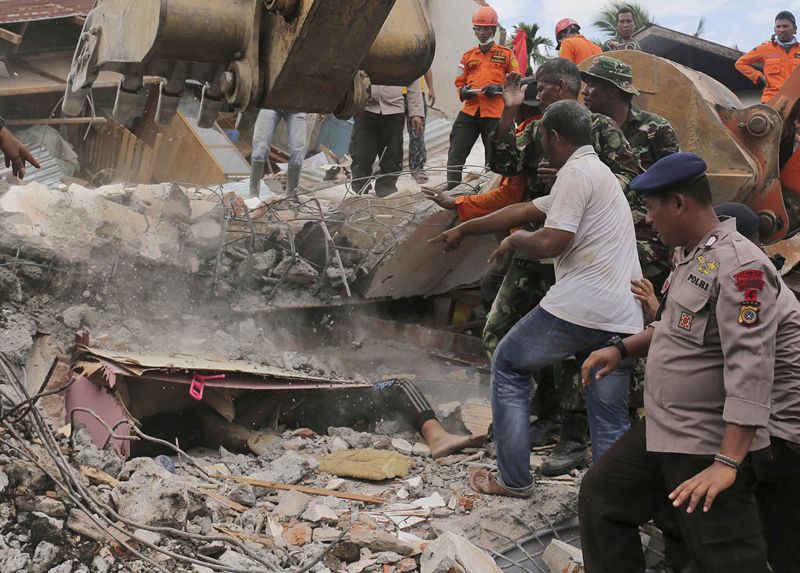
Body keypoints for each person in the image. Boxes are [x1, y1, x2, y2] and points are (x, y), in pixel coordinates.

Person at [438, 58, 643, 476]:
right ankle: (613, 501)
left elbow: (552, 240)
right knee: (608, 413)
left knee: (510, 364)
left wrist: (515, 240)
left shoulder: (576, 172)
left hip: (584, 301)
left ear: (553, 136)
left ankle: (514, 478)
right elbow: (522, 206)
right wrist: (466, 227)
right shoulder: (591, 169)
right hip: (622, 314)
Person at [578, 153, 778, 573]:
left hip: (705, 440)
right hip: (665, 427)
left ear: (681, 203)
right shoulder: (694, 256)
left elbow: (752, 368)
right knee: (602, 496)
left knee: (727, 555)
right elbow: (676, 327)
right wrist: (622, 348)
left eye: (652, 208)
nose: (649, 219)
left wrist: (726, 464)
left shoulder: (743, 270)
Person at [630, 202, 800, 573]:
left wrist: (726, 461)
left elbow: (750, 370)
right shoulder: (715, 265)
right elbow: (689, 333)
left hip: (780, 436)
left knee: (766, 538)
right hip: (755, 430)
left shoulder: (746, 277)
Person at [447, 5, 519, 190]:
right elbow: (459, 81)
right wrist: (463, 91)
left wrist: (499, 87)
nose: (481, 32)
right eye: (478, 28)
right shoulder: (467, 56)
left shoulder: (506, 54)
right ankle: (452, 190)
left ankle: (490, 192)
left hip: (495, 114)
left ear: (493, 29)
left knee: (494, 158)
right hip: (470, 111)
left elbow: (516, 80)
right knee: (456, 153)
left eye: (486, 28)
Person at [350, 82, 424, 198]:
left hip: (394, 110)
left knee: (392, 156)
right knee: (361, 154)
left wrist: (416, 113)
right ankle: (359, 193)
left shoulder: (403, 63)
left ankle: (386, 191)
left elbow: (413, 81)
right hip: (365, 108)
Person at [736, 11, 800, 103]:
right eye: (778, 26)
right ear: (775, 29)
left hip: (796, 102)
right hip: (771, 100)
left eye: (785, 26)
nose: (781, 29)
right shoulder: (765, 49)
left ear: (795, 29)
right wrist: (759, 76)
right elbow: (740, 63)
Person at [250, 110, 308, 197]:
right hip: (270, 103)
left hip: (297, 107)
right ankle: (253, 194)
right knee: (260, 147)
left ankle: (291, 195)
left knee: (298, 150)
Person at [405, 69, 436, 184]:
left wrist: (431, 88)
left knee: (417, 132)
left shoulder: (417, 50)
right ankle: (393, 169)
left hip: (416, 93)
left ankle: (418, 168)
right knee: (393, 135)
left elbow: (426, 67)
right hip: (394, 94)